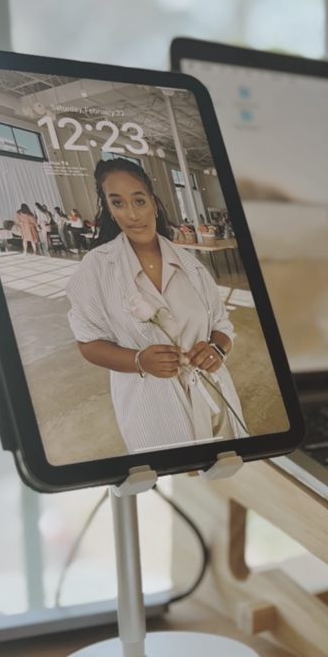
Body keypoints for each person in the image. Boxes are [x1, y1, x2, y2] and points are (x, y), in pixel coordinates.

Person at [66, 157, 248, 455]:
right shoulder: (96, 269)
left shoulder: (191, 266)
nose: (132, 215)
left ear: (152, 202)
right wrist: (140, 361)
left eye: (138, 200)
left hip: (214, 399)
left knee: (226, 473)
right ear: (109, 210)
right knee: (176, 480)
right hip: (152, 410)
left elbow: (222, 326)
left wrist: (216, 350)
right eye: (118, 203)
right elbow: (88, 343)